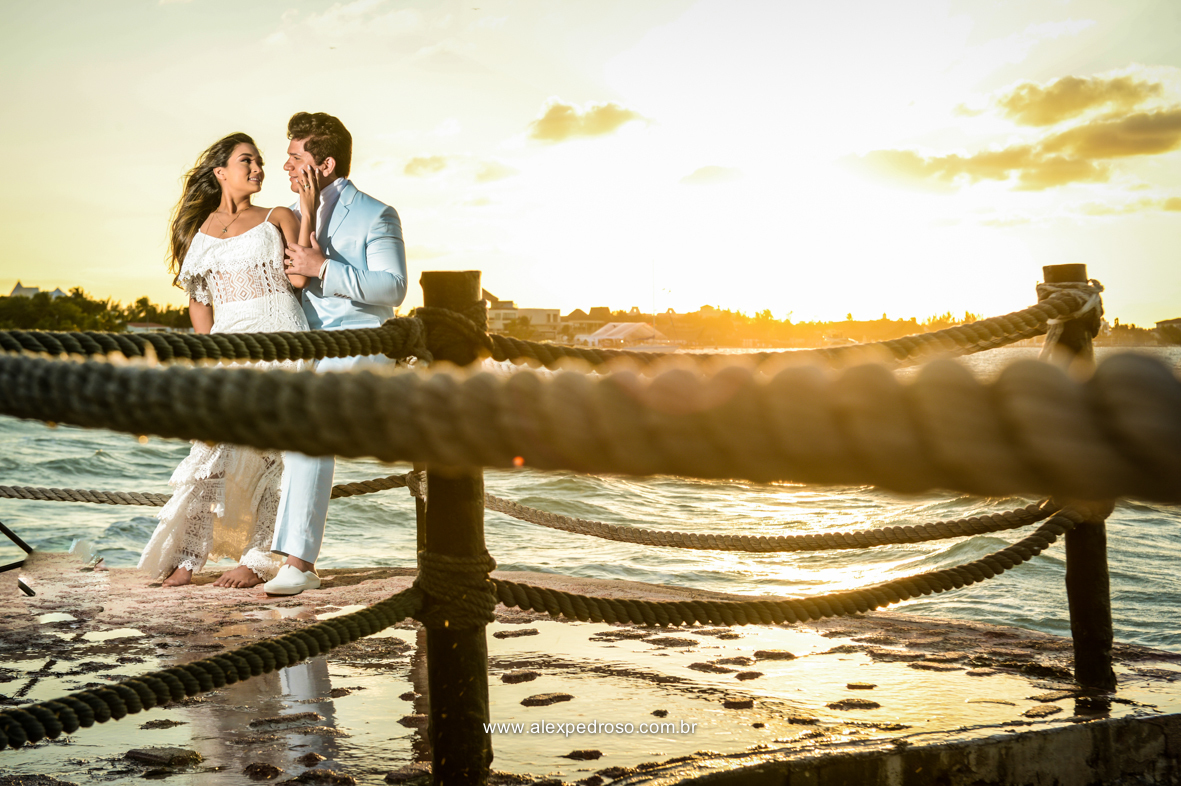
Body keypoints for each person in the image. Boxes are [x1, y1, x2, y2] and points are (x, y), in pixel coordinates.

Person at [139, 132, 320, 588]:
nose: (257, 168)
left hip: (282, 338)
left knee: (273, 454)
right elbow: (198, 299)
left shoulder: (277, 215)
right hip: (230, 346)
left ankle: (258, 559)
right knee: (213, 450)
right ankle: (187, 556)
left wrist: (309, 207)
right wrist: (208, 352)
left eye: (259, 161)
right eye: (247, 161)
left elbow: (299, 276)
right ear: (220, 172)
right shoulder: (199, 234)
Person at [262, 112, 408, 596]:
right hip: (306, 345)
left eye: (295, 156)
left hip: (362, 344)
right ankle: (267, 552)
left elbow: (393, 288)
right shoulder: (288, 211)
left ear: (324, 163)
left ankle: (299, 564)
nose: (284, 164)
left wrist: (324, 267)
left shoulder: (375, 213)